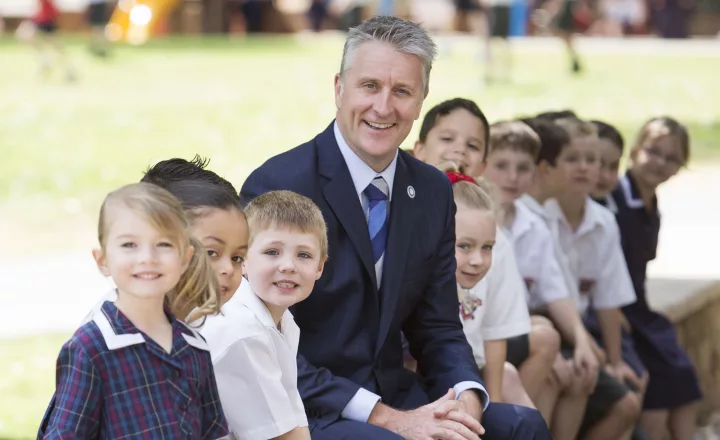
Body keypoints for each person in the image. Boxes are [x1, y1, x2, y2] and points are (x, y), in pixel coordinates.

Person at [241, 16, 551, 440]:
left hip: (399, 393)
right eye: (369, 86)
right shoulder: (280, 184)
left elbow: (438, 325)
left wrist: (466, 395)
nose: (384, 107)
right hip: (309, 405)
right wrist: (387, 418)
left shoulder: (432, 191)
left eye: (402, 91)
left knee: (521, 427)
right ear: (338, 88)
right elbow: (258, 339)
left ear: (422, 99)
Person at [38, 183, 229, 439]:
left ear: (185, 259)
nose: (147, 257)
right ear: (103, 260)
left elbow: (212, 433)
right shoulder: (90, 349)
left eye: (163, 244)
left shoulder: (195, 348)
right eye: (129, 245)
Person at [413, 99, 561, 421]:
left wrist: (489, 405)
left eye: (473, 145)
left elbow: (495, 333)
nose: (459, 152)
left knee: (524, 415)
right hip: (417, 381)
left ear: (483, 164)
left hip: (471, 371)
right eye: (447, 139)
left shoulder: (496, 241)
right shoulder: (404, 230)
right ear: (418, 150)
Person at [530, 115, 643, 440]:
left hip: (577, 328)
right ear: (548, 166)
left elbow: (609, 299)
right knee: (575, 376)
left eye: (591, 160)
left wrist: (616, 361)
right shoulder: (539, 215)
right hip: (545, 326)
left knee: (627, 404)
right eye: (573, 159)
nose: (583, 167)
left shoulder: (604, 222)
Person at [483, 119, 596, 440]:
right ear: (483, 165)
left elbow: (555, 291)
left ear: (535, 173)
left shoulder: (534, 225)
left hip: (512, 332)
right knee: (546, 340)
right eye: (502, 165)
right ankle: (499, 427)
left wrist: (583, 341)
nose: (512, 177)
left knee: (568, 370)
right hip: (479, 331)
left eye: (523, 168)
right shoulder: (473, 216)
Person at [201, 191, 328, 440]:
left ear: (320, 267)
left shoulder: (282, 321)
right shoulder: (242, 330)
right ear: (243, 259)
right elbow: (280, 435)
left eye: (303, 255)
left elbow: (290, 415)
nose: (288, 266)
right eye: (272, 252)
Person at [610, 117, 701, 440]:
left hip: (640, 308)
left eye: (671, 157)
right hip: (618, 311)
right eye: (653, 151)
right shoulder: (616, 202)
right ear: (635, 151)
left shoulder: (651, 207)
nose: (660, 162)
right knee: (660, 389)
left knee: (687, 382)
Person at [82, 156, 249, 320]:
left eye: (237, 258)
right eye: (211, 253)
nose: (228, 268)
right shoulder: (111, 337)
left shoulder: (184, 328)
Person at [439, 167, 536, 409]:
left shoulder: (477, 275)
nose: (477, 260)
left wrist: (494, 404)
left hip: (471, 377)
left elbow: (494, 334)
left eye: (487, 247)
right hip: (437, 388)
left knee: (525, 416)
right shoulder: (416, 287)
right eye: (464, 246)